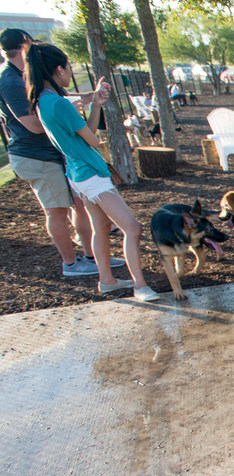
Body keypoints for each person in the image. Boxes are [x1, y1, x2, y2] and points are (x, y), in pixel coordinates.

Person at [25, 42, 158, 301]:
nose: (69, 74)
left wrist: (95, 103)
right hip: (91, 174)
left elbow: (87, 133)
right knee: (132, 228)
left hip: (77, 174)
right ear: (58, 69)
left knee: (100, 226)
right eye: (68, 69)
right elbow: (94, 141)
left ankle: (106, 280)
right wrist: (91, 110)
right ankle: (140, 286)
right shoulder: (58, 103)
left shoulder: (43, 101)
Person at [0, 28, 113, 278]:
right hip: (35, 156)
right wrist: (68, 120)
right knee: (56, 211)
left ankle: (93, 256)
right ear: (24, 47)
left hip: (55, 153)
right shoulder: (9, 80)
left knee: (78, 204)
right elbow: (32, 123)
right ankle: (71, 264)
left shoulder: (33, 75)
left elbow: (60, 103)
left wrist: (91, 99)